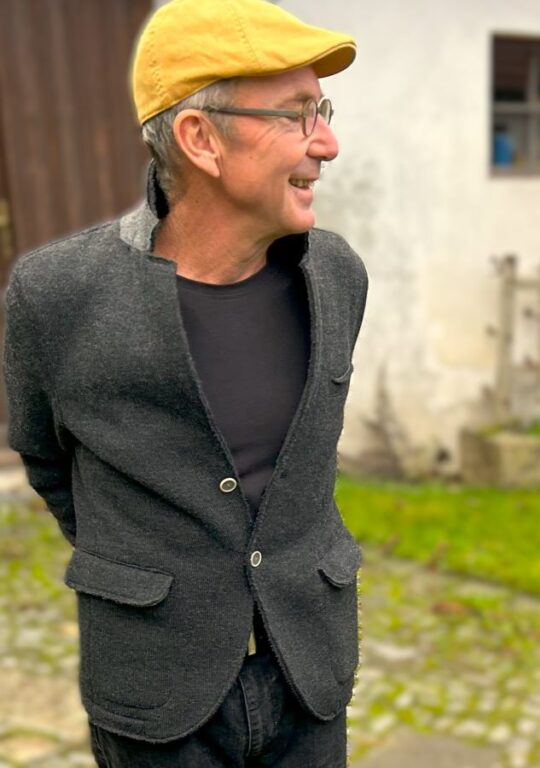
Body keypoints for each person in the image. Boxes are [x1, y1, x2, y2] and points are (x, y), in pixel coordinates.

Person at [3, 0, 366, 764]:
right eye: (298, 114)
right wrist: (149, 565)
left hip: (311, 674)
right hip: (154, 692)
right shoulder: (54, 294)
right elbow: (45, 459)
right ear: (201, 138)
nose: (327, 143)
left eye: (322, 109)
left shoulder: (338, 275)